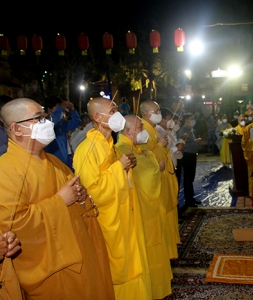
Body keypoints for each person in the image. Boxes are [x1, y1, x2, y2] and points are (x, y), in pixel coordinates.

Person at [0, 98, 115, 299]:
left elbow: (78, 198)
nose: (47, 122)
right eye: (38, 118)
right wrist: (60, 202)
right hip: (52, 268)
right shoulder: (5, 170)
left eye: (45, 116)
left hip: (81, 252)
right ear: (16, 129)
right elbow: (13, 226)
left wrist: (80, 194)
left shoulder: (53, 161)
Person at [73, 97, 152, 300]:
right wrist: (120, 167)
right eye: (112, 110)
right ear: (98, 117)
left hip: (125, 214)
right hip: (107, 221)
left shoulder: (111, 146)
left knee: (132, 263)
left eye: (117, 109)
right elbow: (91, 193)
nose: (117, 114)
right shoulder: (87, 149)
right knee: (117, 270)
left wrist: (126, 167)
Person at [116, 115, 173, 299]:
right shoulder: (123, 149)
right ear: (128, 131)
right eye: (140, 127)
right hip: (141, 211)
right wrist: (152, 160)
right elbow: (149, 173)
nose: (143, 131)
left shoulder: (137, 148)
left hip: (149, 208)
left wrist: (149, 157)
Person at [140, 100, 180, 259]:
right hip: (155, 179)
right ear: (147, 114)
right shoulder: (145, 132)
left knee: (168, 212)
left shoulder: (153, 130)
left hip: (163, 175)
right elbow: (144, 158)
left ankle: (169, 249)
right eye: (157, 111)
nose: (160, 114)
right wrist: (159, 146)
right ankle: (164, 251)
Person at [42, 96, 82, 169]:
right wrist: (60, 108)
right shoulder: (44, 124)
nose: (61, 111)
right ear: (49, 110)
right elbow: (52, 122)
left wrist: (72, 110)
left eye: (62, 109)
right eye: (58, 108)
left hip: (66, 160)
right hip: (53, 163)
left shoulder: (61, 124)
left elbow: (77, 122)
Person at [177, 113, 202, 207]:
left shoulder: (190, 129)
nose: (193, 120)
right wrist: (195, 142)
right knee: (188, 178)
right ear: (186, 120)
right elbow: (181, 145)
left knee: (190, 178)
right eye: (191, 119)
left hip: (192, 154)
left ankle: (191, 198)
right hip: (187, 155)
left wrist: (195, 142)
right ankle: (188, 201)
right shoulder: (183, 130)